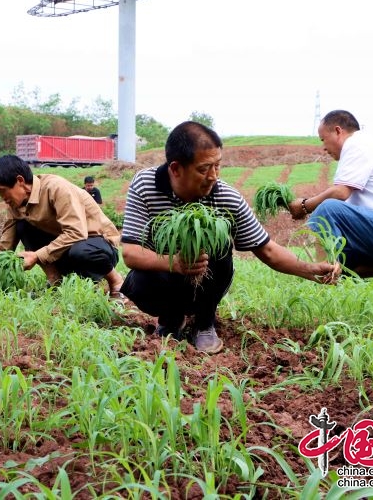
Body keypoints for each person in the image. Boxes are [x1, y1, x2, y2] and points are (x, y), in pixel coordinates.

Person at [119, 121, 339, 354]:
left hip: (208, 284)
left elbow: (267, 250)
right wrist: (174, 262)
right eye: (204, 169)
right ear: (176, 169)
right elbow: (131, 253)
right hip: (163, 280)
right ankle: (171, 318)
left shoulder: (226, 197)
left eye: (218, 166)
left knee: (220, 239)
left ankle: (204, 322)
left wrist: (310, 269)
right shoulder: (145, 185)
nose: (213, 176)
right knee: (142, 279)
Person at [0, 154, 124, 297]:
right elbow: (4, 248)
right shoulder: (15, 207)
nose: (2, 198)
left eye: (2, 191)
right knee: (23, 227)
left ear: (20, 181)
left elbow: (76, 233)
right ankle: (55, 281)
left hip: (99, 244)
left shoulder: (56, 188)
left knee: (82, 251)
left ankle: (115, 281)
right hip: (67, 247)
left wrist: (36, 256)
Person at [288, 110, 373, 278]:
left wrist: (304, 206)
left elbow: (339, 193)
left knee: (327, 209)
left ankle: (322, 280)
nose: (324, 147)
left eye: (323, 139)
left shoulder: (356, 143)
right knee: (345, 266)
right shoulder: (366, 145)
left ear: (338, 131)